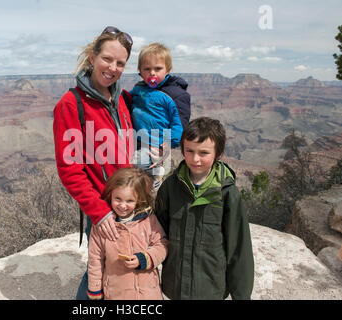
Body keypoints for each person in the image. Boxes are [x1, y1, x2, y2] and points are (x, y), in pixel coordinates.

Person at [53, 26, 134, 300]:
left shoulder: (122, 99)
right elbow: (70, 170)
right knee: (97, 273)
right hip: (104, 210)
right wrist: (99, 212)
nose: (112, 68)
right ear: (92, 57)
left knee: (123, 270)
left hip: (130, 203)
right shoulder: (71, 104)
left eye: (120, 63)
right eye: (107, 59)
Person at [154, 117, 254, 300]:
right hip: (174, 286)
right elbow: (156, 234)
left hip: (210, 290)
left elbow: (239, 249)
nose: (195, 159)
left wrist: (242, 295)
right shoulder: (170, 187)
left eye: (203, 153)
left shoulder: (227, 194)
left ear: (219, 153)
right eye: (189, 151)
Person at [87, 167, 168, 300]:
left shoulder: (148, 220)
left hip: (148, 294)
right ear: (110, 195)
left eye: (129, 201)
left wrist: (144, 258)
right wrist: (95, 289)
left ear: (139, 199)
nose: (123, 206)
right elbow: (95, 258)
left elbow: (162, 244)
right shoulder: (102, 226)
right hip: (116, 293)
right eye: (118, 199)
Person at [130, 43, 190, 185]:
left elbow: (179, 125)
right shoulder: (138, 89)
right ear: (140, 71)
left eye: (158, 68)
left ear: (168, 69)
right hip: (137, 142)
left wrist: (164, 148)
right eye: (147, 69)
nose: (152, 73)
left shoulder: (176, 95)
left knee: (148, 182)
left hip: (157, 149)